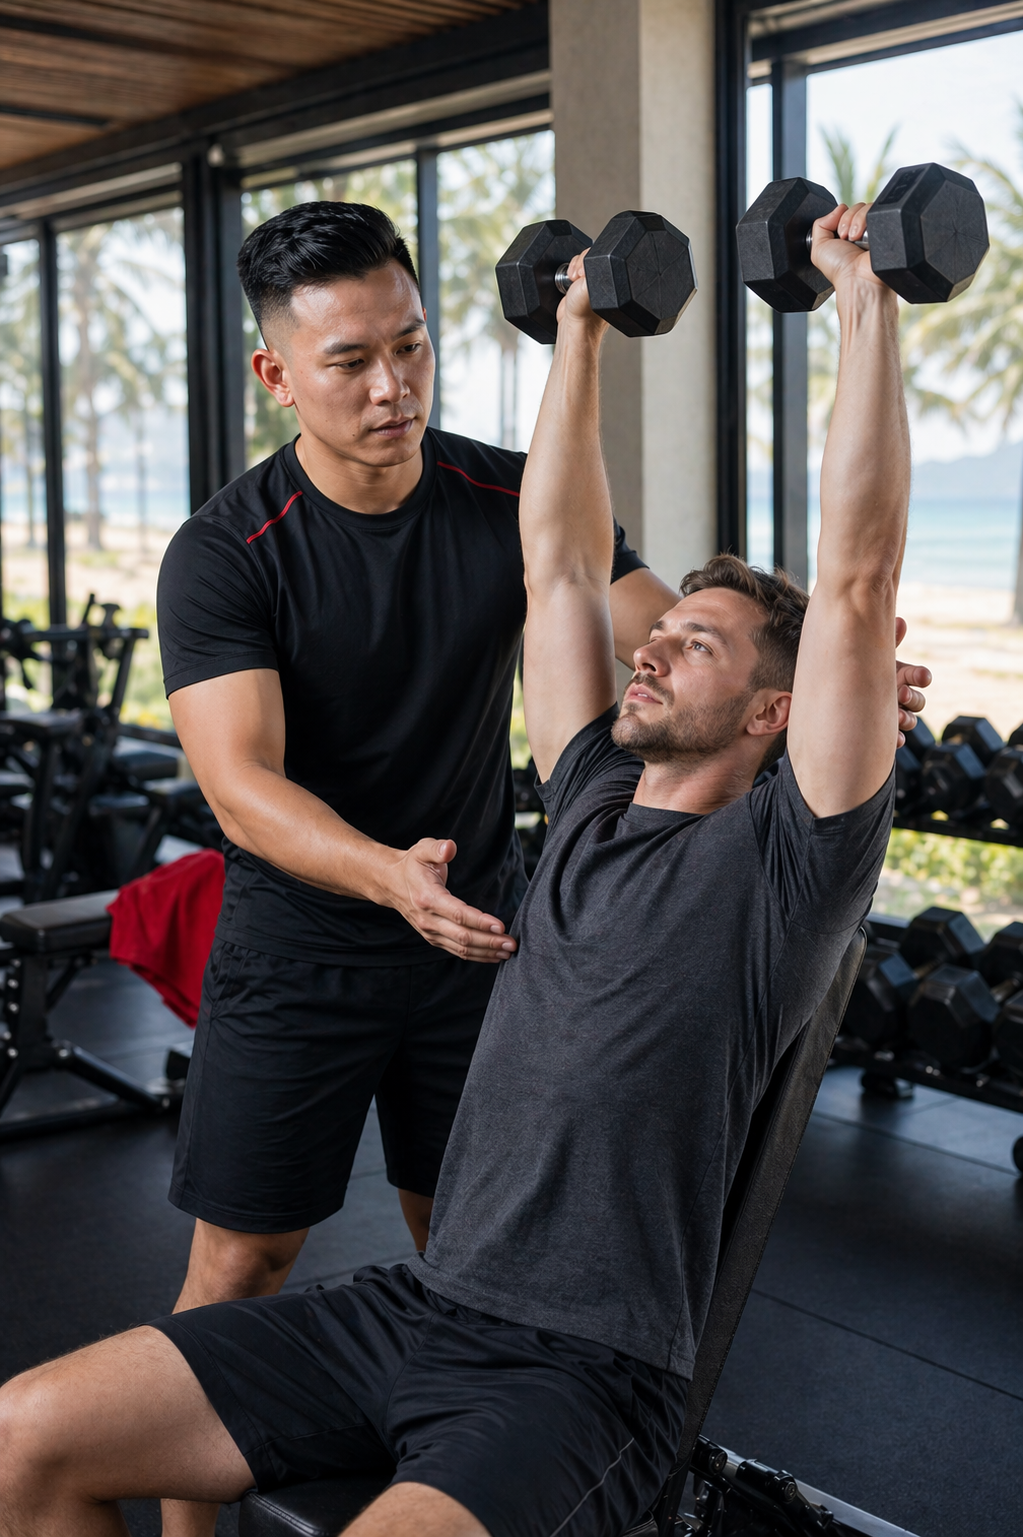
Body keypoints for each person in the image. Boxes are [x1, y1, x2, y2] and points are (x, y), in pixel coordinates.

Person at [0, 198, 930, 1537]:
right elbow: (552, 570)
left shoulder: (787, 864)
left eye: (694, 645)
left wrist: (863, 302)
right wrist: (576, 327)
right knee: (30, 1429)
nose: (648, 645)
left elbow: (849, 579)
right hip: (406, 1303)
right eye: (656, 629)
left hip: (576, 1366)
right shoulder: (589, 793)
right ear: (279, 376)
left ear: (776, 713)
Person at [156, 199, 675, 1315]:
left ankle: (438, 1478)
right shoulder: (224, 553)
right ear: (277, 373)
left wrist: (812, 671)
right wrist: (391, 875)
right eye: (350, 360)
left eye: (412, 344)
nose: (394, 385)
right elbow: (242, 787)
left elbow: (658, 629)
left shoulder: (506, 499)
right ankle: (178, 1499)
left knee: (478, 1250)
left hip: (475, 940)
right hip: (302, 948)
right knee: (244, 1265)